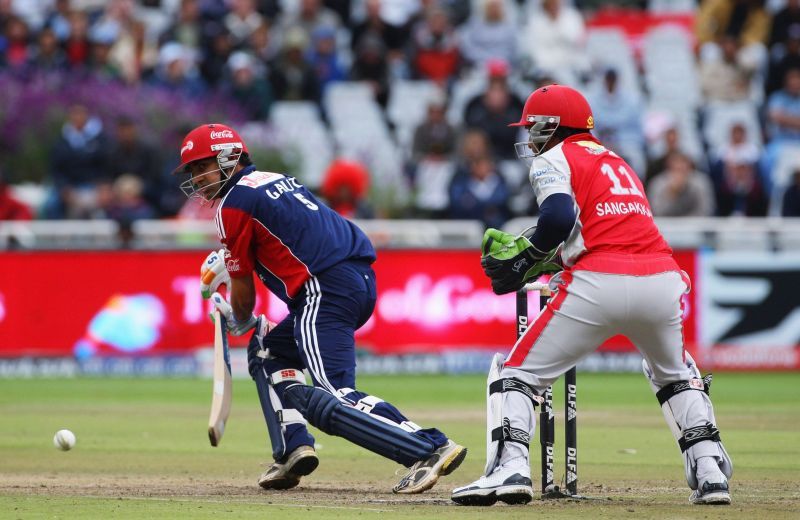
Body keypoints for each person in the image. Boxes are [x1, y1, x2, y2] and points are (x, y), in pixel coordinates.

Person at [450, 85, 733, 506]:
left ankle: (509, 469)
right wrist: (558, 255)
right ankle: (710, 473)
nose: (529, 138)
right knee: (675, 374)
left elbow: (559, 216)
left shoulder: (553, 157)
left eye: (533, 127)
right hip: (661, 278)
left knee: (516, 374)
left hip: (599, 281)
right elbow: (611, 226)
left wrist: (530, 255)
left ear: (552, 125)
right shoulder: (619, 161)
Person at [173, 124, 466, 493]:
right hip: (355, 280)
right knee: (270, 352)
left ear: (229, 157)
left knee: (334, 395)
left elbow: (245, 290)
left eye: (202, 167)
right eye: (193, 172)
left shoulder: (233, 204)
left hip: (323, 288)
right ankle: (293, 448)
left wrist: (239, 317)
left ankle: (429, 448)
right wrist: (230, 259)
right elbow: (280, 240)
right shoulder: (273, 179)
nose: (198, 179)